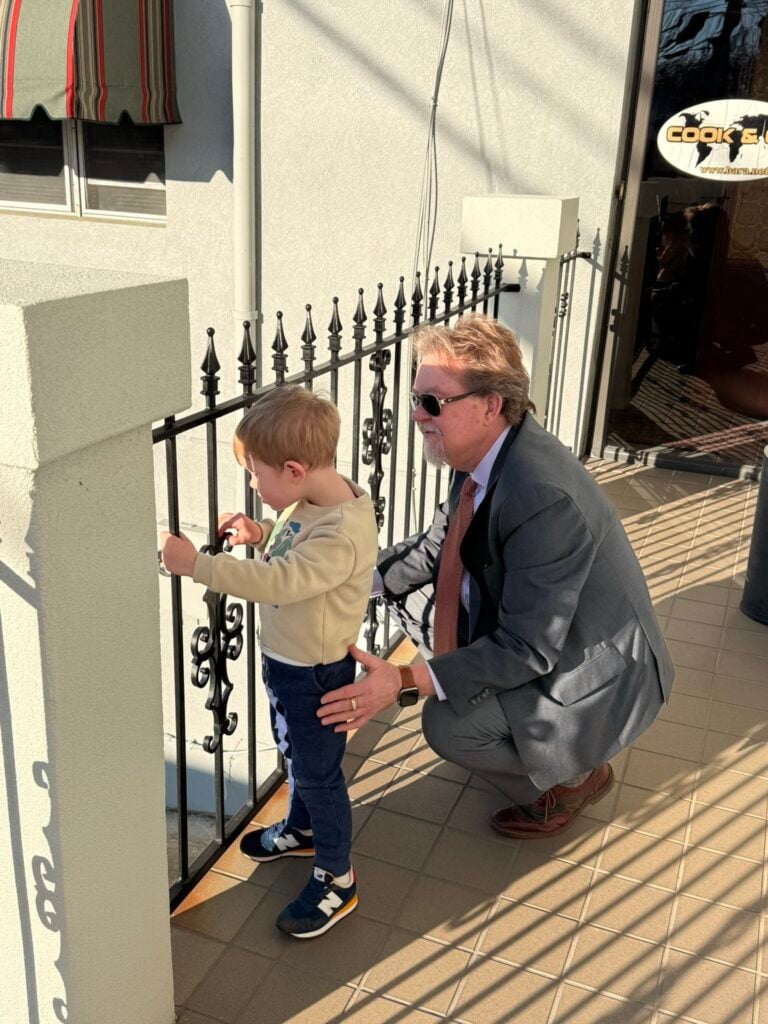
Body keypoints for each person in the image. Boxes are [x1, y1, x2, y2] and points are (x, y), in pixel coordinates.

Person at [317, 313, 674, 839]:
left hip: (591, 667)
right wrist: (348, 579)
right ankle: (519, 736)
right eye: (416, 399)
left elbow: (528, 648)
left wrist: (406, 681)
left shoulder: (541, 495)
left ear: (490, 404)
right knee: (403, 601)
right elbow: (438, 547)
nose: (417, 415)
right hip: (546, 633)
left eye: (433, 402)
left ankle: (570, 781)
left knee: (446, 723)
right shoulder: (484, 449)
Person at [160, 386, 378, 938]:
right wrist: (261, 534)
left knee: (318, 774)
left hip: (314, 675)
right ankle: (301, 831)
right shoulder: (314, 502)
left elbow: (283, 579)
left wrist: (197, 565)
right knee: (297, 757)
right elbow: (292, 549)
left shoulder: (342, 532)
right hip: (291, 665)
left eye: (257, 475)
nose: (254, 486)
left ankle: (337, 876)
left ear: (295, 469)